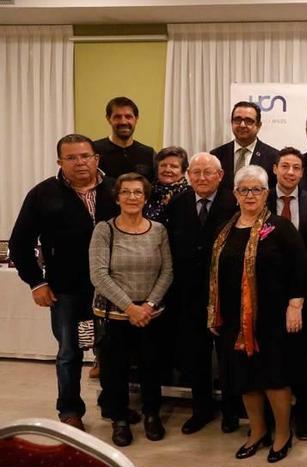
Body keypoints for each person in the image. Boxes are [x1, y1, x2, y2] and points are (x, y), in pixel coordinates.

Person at [9, 134, 119, 431]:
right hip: (66, 289)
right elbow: (19, 244)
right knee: (69, 353)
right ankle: (70, 410)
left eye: (85, 156)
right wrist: (36, 282)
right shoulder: (42, 194)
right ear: (60, 162)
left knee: (110, 350)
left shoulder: (117, 189)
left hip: (111, 287)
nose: (79, 162)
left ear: (96, 158)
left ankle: (112, 404)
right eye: (71, 157)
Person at [207, 165, 307, 463]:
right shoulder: (225, 230)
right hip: (234, 322)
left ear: (267, 193)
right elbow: (214, 274)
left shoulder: (280, 227)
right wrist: (213, 311)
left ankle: (281, 434)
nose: (250, 195)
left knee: (273, 378)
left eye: (257, 189)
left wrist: (295, 304)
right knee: (245, 380)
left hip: (272, 320)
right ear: (235, 194)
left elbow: (301, 269)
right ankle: (257, 431)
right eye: (244, 190)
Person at [89, 172, 173, 446]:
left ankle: (151, 415)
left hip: (151, 316)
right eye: (126, 192)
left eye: (138, 192)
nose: (132, 197)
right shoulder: (105, 229)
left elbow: (167, 272)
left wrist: (147, 306)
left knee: (152, 369)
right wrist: (130, 307)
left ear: (146, 197)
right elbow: (99, 275)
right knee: (115, 372)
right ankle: (120, 420)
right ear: (117, 197)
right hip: (114, 316)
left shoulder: (158, 230)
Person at [164, 152, 239, 434]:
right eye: (196, 173)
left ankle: (232, 412)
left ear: (220, 176)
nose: (202, 178)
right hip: (189, 294)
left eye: (208, 173)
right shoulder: (178, 203)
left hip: (226, 294)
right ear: (188, 176)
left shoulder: (235, 202)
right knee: (196, 358)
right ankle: (201, 410)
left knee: (228, 357)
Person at [268, 146, 307, 439]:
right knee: (271, 353)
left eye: (296, 168)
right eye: (285, 166)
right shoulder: (258, 199)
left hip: (305, 293)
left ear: (303, 173)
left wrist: (301, 297)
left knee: (302, 355)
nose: (290, 172)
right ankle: (273, 414)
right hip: (268, 293)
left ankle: (303, 409)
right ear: (275, 169)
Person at [210, 101, 279, 191]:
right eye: (237, 120)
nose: (242, 125)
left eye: (248, 121)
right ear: (231, 123)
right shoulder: (216, 155)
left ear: (259, 125)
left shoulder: (273, 157)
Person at [93, 96, 156, 181]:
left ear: (136, 119)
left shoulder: (149, 154)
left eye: (128, 116)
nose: (123, 122)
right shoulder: (94, 151)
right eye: (117, 117)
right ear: (108, 119)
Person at [144, 146, 191, 222]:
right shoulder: (146, 193)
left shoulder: (191, 195)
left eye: (174, 166)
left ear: (183, 171)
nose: (167, 170)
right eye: (163, 165)